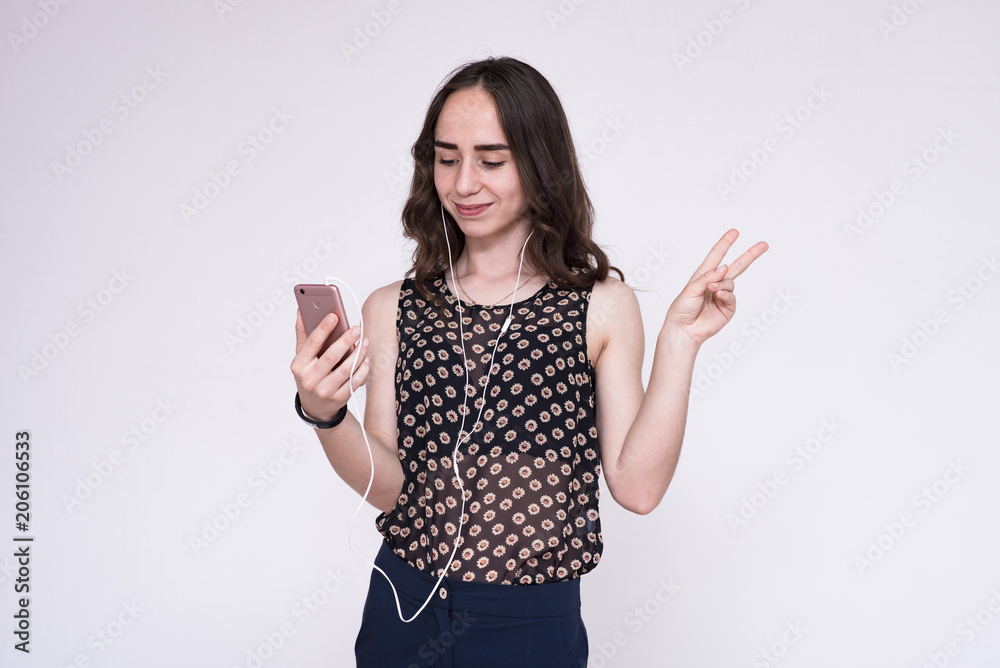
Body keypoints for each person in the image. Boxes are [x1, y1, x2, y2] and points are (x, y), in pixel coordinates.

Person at [289, 56, 767, 668]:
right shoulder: (392, 307)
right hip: (402, 610)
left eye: (491, 161)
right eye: (447, 159)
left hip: (529, 626)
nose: (464, 184)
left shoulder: (600, 307)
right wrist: (325, 414)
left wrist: (680, 341)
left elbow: (638, 488)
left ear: (541, 165)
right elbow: (389, 490)